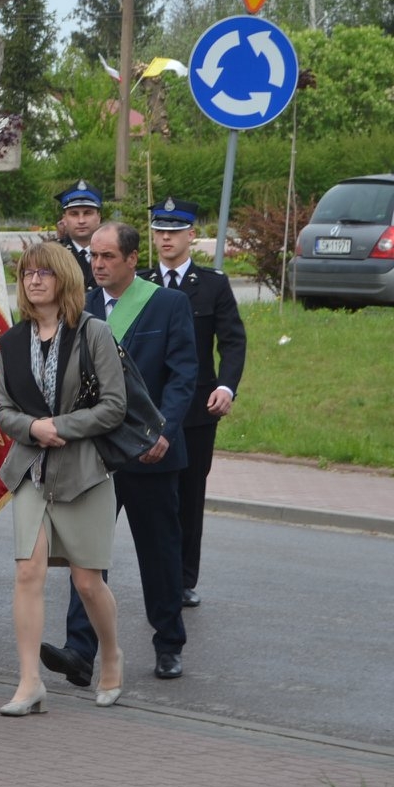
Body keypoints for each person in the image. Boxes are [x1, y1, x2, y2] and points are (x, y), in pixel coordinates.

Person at [45, 222, 197, 685]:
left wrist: (163, 431)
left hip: (150, 453)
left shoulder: (168, 304)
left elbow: (183, 374)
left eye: (108, 256)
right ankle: (79, 651)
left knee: (160, 554)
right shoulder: (82, 307)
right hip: (94, 454)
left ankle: (168, 644)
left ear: (132, 259)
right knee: (86, 555)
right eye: (93, 256)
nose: (98, 264)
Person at [0, 241, 128, 714]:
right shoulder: (12, 341)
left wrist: (61, 427)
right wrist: (33, 429)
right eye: (27, 273)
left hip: (85, 473)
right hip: (32, 471)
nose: (34, 280)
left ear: (64, 278)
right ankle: (29, 681)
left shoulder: (93, 333)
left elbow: (115, 406)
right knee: (27, 571)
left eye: (44, 273)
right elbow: (2, 409)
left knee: (87, 581)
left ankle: (110, 655)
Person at [143, 197, 246, 608]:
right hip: (147, 408)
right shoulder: (141, 283)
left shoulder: (213, 285)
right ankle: (145, 574)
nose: (166, 238)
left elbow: (233, 341)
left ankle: (183, 579)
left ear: (191, 235)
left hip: (196, 411)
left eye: (174, 231)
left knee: (189, 495)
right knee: (146, 496)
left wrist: (227, 387)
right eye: (159, 231)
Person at [53, 181, 104, 292]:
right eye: (74, 214)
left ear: (98, 217)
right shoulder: (53, 254)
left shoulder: (113, 253)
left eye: (87, 213)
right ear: (64, 219)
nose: (81, 221)